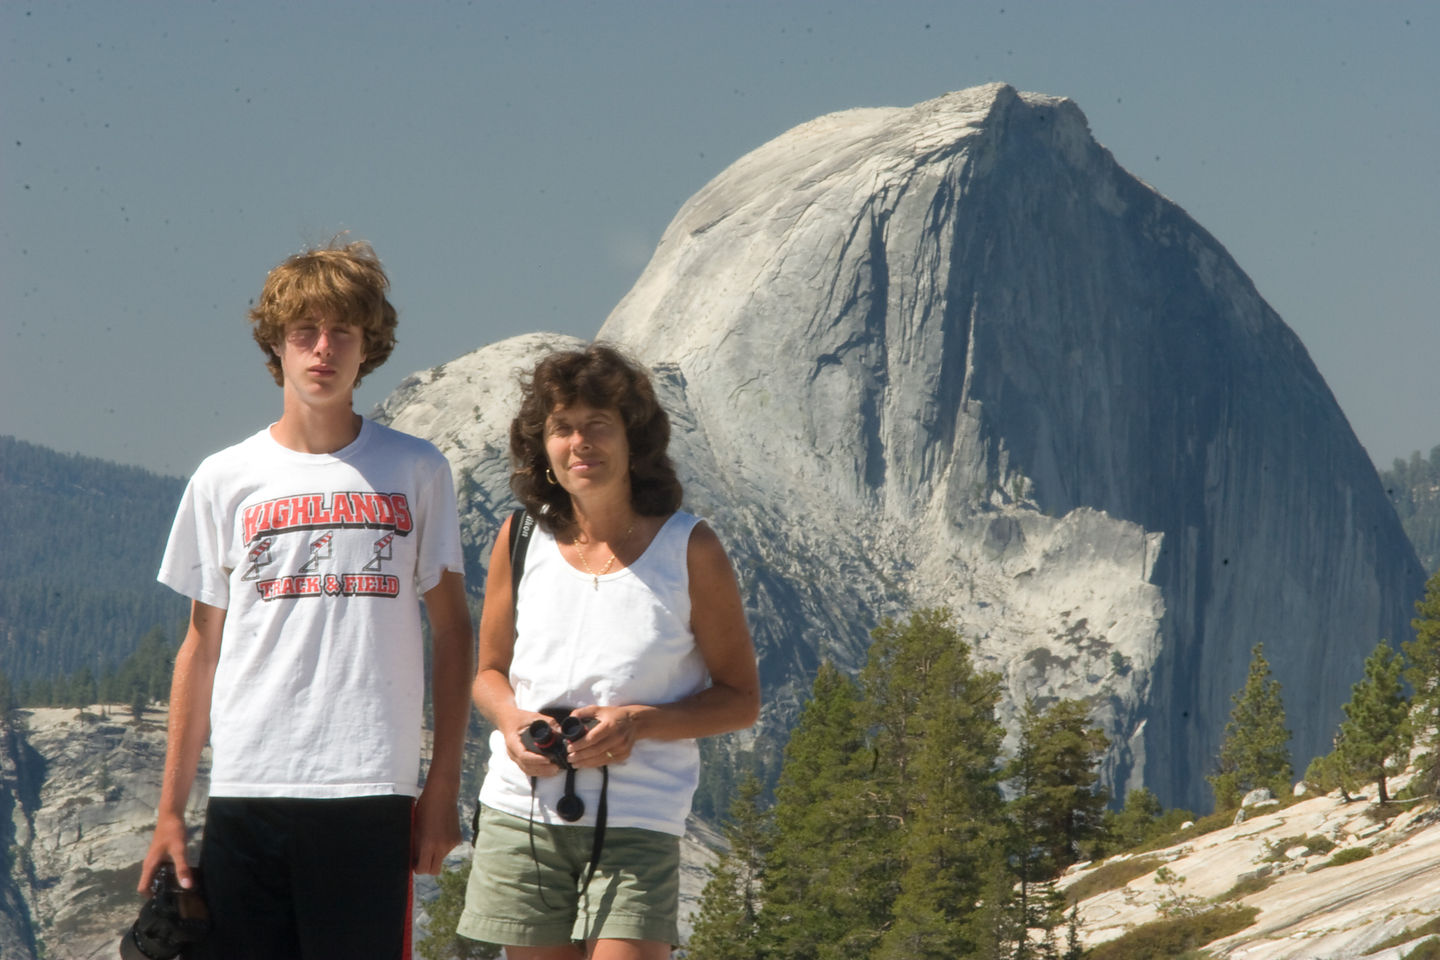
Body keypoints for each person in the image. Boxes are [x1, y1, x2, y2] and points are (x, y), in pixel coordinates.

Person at [138, 239, 473, 959]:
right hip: (248, 784)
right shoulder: (223, 479)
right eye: (304, 333)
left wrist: (442, 784)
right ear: (277, 348)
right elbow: (201, 649)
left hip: (369, 786)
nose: (323, 349)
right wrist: (170, 811)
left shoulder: (417, 470)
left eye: (342, 332)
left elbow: (453, 632)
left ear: (368, 346)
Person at [459, 343, 759, 959]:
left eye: (598, 425)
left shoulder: (690, 549)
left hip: (636, 822)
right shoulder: (518, 538)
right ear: (541, 447)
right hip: (523, 814)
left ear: (634, 440)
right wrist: (514, 722)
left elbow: (740, 700)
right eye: (562, 428)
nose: (580, 443)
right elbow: (488, 673)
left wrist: (638, 725)